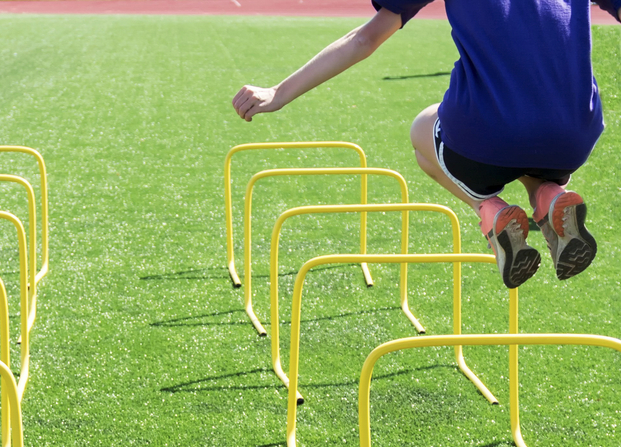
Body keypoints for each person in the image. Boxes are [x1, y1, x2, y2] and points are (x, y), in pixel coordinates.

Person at [233, 0, 619, 289]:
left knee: (423, 128)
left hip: (486, 137)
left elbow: (365, 38)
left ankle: (490, 210)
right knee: (532, 147)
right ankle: (549, 197)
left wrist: (278, 93)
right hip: (572, 137)